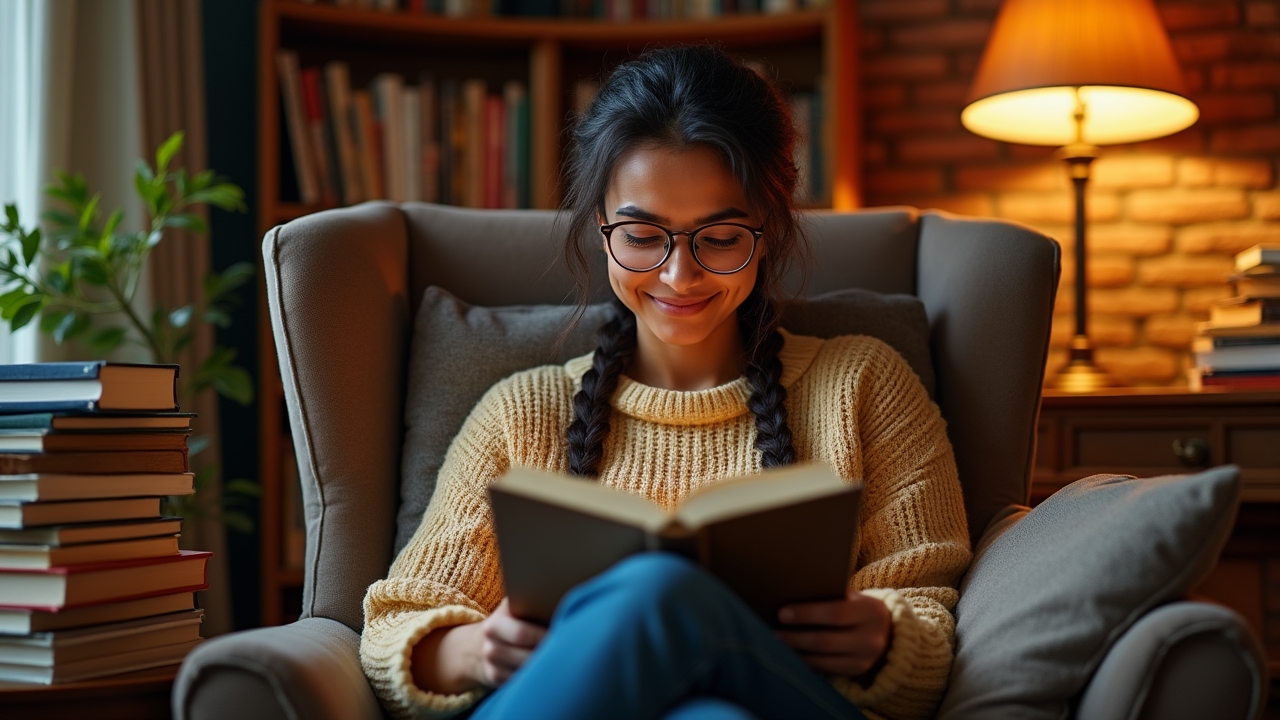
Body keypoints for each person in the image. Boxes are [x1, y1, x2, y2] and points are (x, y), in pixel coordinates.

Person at [359, 45, 971, 720]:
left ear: (768, 229)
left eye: (721, 236)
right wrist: (474, 650)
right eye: (642, 235)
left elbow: (931, 619)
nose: (680, 276)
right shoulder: (521, 415)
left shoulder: (864, 386)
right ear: (601, 229)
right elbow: (395, 629)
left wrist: (883, 637)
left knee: (664, 596)